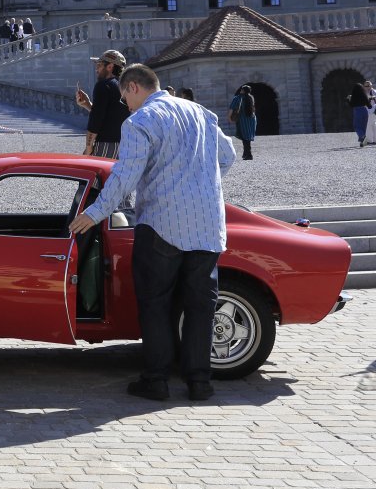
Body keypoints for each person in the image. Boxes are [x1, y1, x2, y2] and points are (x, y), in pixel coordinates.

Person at [69, 64, 236, 402]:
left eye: (124, 99)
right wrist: (198, 181)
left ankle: (156, 379)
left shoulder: (141, 120)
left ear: (133, 87)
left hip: (162, 222)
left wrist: (95, 213)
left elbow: (125, 175)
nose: (126, 106)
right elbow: (228, 156)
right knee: (201, 306)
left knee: (155, 303)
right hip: (207, 224)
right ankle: (199, 382)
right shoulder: (201, 113)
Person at [74, 49, 130, 158]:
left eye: (99, 65)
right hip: (124, 146)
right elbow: (111, 115)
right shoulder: (124, 87)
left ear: (110, 67)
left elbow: (95, 120)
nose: (96, 69)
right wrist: (88, 105)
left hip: (106, 145)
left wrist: (88, 148)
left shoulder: (103, 85)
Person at [227, 84, 258, 161]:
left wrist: (229, 117)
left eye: (241, 89)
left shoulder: (237, 98)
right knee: (247, 136)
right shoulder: (251, 97)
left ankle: (249, 154)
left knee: (245, 137)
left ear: (243, 90)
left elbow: (231, 108)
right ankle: (245, 153)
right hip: (252, 119)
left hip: (243, 119)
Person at [348, 79, 373, 146]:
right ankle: (362, 142)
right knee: (363, 127)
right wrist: (369, 101)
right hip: (364, 110)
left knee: (357, 126)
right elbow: (369, 106)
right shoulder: (364, 95)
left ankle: (363, 137)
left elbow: (351, 105)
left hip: (357, 111)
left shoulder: (353, 96)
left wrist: (348, 100)